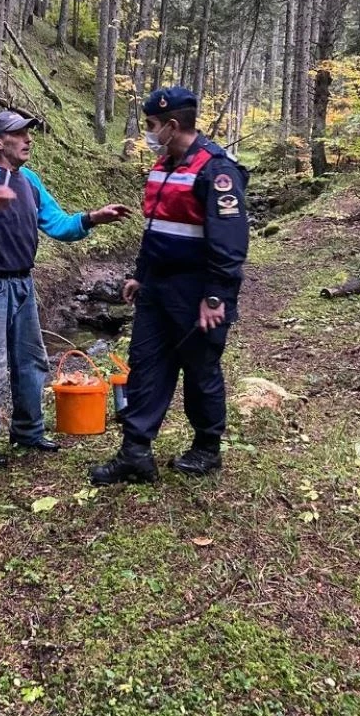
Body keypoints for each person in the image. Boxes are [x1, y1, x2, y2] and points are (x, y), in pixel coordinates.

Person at [0, 110, 131, 467]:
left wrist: (92, 218)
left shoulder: (29, 181)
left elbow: (57, 224)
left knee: (31, 362)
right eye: (19, 134)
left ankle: (28, 432)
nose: (28, 139)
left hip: (24, 284)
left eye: (29, 133)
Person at [90, 87, 249, 485]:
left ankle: (207, 448)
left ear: (172, 126)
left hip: (197, 292)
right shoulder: (163, 166)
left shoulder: (217, 171)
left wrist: (216, 297)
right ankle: (135, 453)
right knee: (145, 366)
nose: (148, 133)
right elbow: (155, 228)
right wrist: (139, 274)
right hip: (157, 288)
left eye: (151, 125)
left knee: (200, 370)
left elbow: (230, 244)